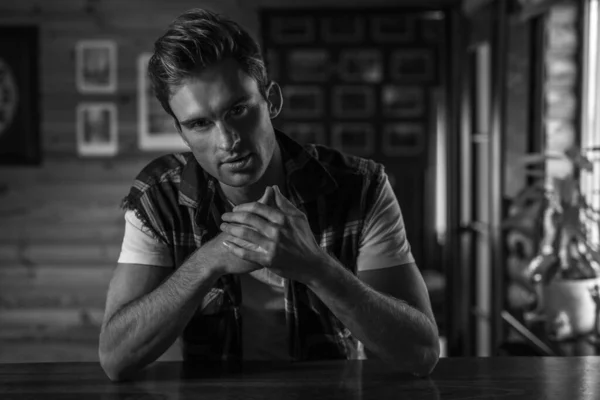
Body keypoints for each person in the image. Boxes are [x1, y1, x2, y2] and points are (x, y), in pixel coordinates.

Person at [98, 8, 439, 381]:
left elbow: (420, 355)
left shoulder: (360, 186)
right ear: (182, 133)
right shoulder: (158, 196)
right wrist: (207, 261)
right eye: (200, 124)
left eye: (239, 109)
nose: (228, 142)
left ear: (271, 101)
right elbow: (116, 359)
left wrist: (315, 267)